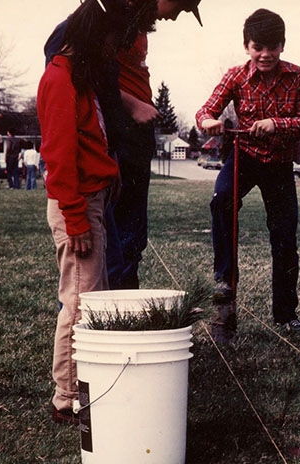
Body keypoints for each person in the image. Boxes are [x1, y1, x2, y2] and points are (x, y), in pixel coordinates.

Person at [38, 0, 156, 425]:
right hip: (78, 207)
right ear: (94, 38)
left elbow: (90, 142)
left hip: (93, 199)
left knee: (94, 295)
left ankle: (85, 385)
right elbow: (59, 156)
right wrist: (75, 219)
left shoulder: (81, 81)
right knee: (80, 303)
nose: (114, 51)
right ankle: (66, 396)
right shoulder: (59, 80)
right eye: (109, 42)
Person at [44, 0, 202, 291]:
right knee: (104, 251)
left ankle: (125, 315)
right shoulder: (103, 19)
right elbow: (64, 64)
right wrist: (131, 106)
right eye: (179, 7)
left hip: (131, 143)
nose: (176, 17)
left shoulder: (136, 26)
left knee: (130, 241)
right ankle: (106, 318)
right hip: (115, 142)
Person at [196, 8, 300, 331]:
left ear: (282, 45)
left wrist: (275, 125)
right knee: (221, 200)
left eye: (272, 47)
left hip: (279, 164)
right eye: (257, 47)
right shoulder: (235, 76)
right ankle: (224, 283)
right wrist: (210, 122)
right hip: (244, 157)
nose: (265, 55)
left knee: (284, 235)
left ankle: (286, 315)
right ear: (247, 46)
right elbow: (206, 110)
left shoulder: (298, 76)